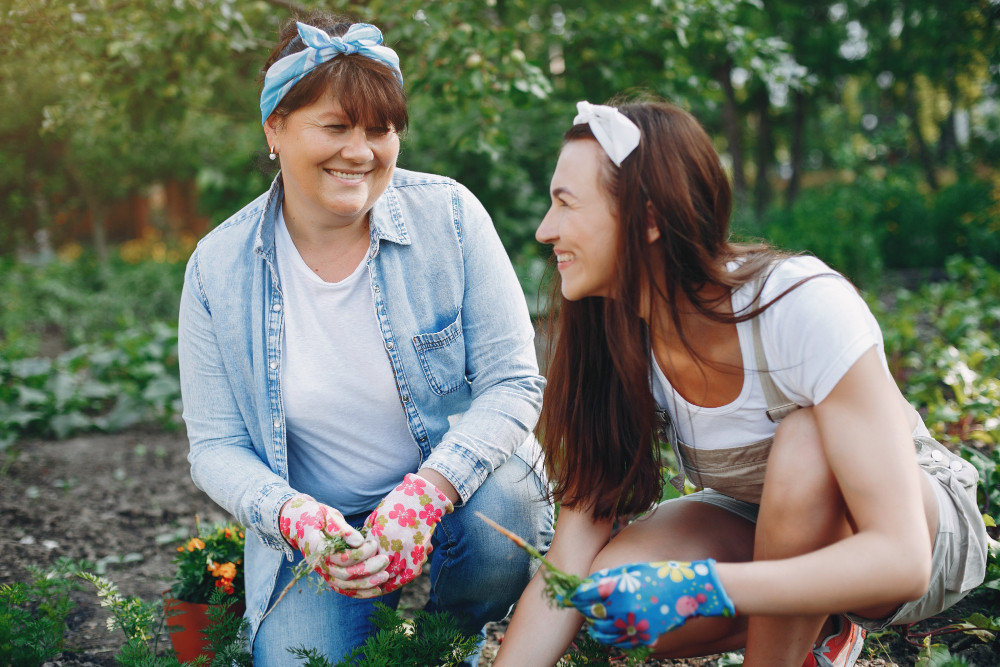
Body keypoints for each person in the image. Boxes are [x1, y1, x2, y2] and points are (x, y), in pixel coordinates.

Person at [494, 98, 988, 667]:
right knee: (612, 589)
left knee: (805, 442)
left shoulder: (800, 305)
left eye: (565, 203)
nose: (543, 230)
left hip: (915, 535)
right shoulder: (616, 337)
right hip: (765, 526)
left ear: (650, 218)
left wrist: (700, 587)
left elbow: (901, 557)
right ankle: (821, 625)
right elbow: (572, 557)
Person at [177, 12, 553, 666]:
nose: (361, 151)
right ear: (274, 128)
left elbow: (514, 381)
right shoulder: (218, 267)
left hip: (455, 494)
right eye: (335, 126)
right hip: (322, 528)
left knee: (505, 509)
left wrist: (430, 491)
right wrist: (292, 515)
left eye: (380, 130)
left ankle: (457, 641)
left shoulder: (451, 218)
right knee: (300, 657)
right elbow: (216, 446)